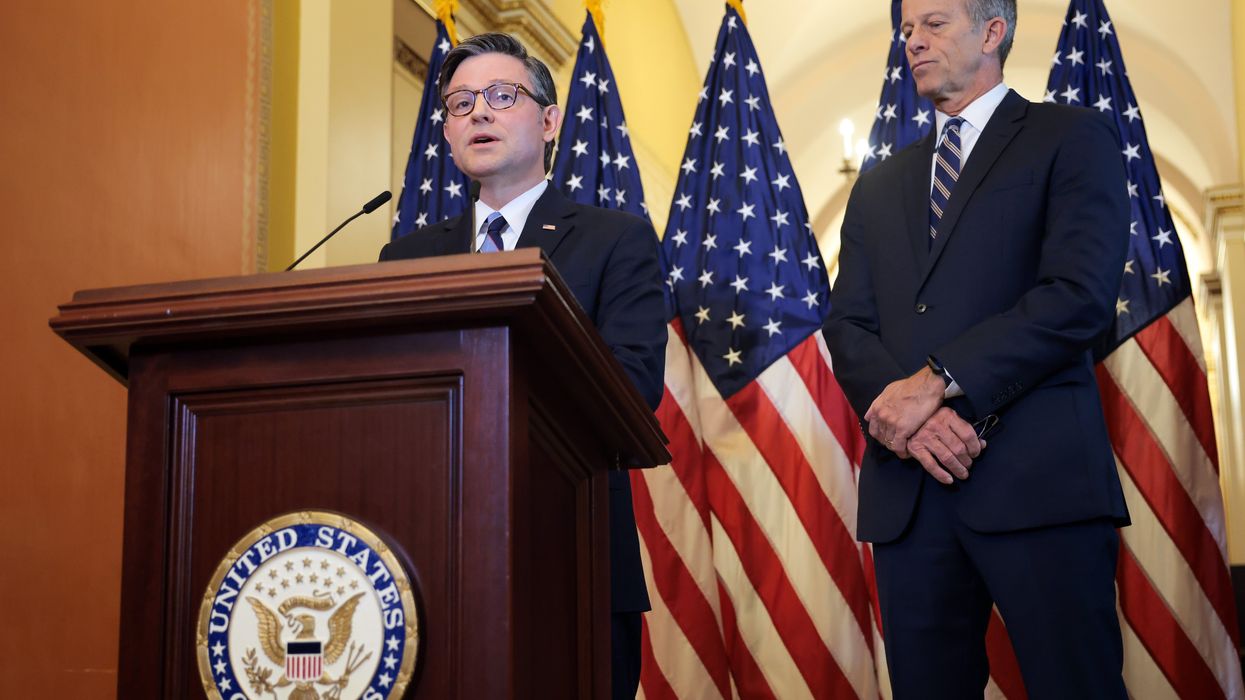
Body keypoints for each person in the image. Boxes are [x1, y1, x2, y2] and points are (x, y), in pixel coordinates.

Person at [823, 0, 1130, 696]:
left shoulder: (1070, 137)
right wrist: (912, 418)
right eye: (904, 30)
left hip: (1036, 482)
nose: (912, 42)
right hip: (911, 490)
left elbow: (1075, 295)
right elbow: (848, 325)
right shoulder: (877, 185)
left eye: (933, 23)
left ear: (993, 32)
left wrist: (938, 380)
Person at [378, 32, 665, 698]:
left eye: (501, 97)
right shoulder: (406, 259)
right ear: (447, 134)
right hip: (429, 562)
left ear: (548, 120)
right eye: (459, 104)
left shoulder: (613, 240)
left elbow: (632, 387)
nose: (478, 113)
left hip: (573, 551)